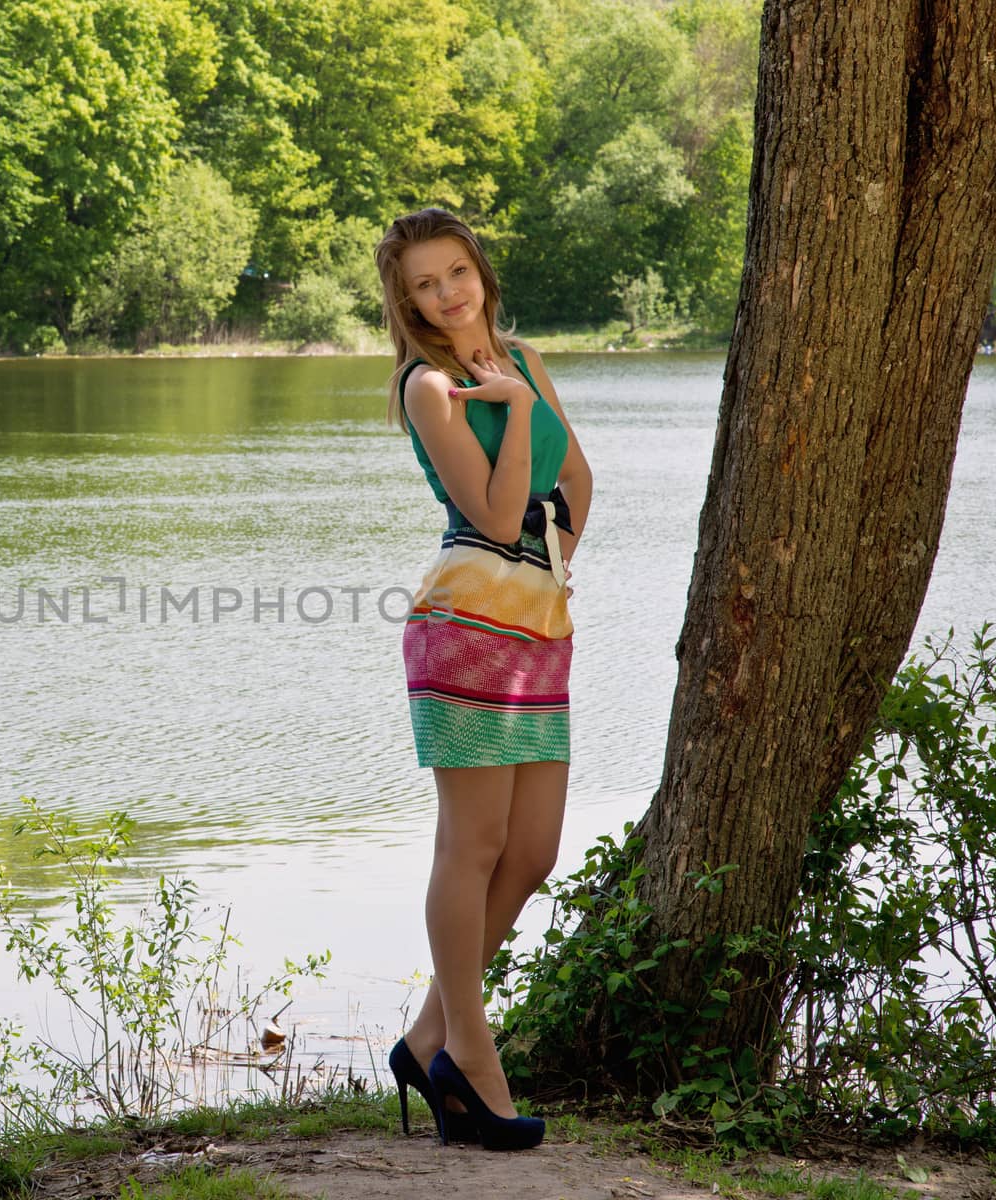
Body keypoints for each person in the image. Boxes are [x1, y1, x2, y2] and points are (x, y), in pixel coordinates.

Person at [373, 208, 593, 1151]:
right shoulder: (430, 388)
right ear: (408, 302)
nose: (447, 292)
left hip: (539, 625)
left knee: (533, 851)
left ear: (479, 270)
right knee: (473, 845)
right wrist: (504, 409)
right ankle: (471, 1053)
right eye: (425, 283)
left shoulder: (527, 357)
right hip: (464, 627)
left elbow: (576, 479)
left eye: (456, 270)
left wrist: (553, 559)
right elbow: (499, 517)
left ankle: (428, 1039)